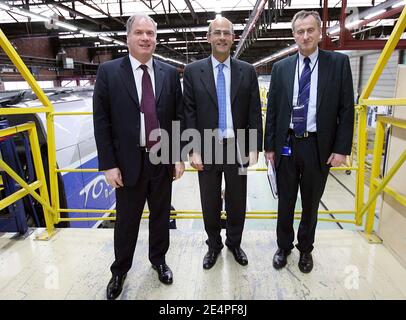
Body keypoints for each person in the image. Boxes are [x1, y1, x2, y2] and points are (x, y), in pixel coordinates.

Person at [93, 13, 184, 300]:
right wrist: (108, 164)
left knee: (160, 215)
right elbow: (102, 120)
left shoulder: (169, 73)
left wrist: (178, 155)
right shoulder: (109, 72)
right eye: (140, 33)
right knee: (127, 220)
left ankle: (159, 260)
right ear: (128, 37)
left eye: (151, 34)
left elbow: (177, 117)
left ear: (156, 39)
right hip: (128, 162)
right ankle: (119, 270)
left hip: (162, 158)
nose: (146, 38)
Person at [264, 10, 354, 273]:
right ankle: (283, 246)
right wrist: (269, 146)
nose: (305, 36)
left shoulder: (337, 64)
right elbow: (273, 110)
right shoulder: (281, 68)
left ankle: (305, 250)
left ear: (319, 32)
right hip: (287, 144)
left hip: (318, 146)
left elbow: (346, 109)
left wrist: (341, 149)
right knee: (286, 202)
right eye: (300, 31)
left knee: (311, 203)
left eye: (310, 30)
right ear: (294, 35)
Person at [183, 17, 263, 270]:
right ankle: (213, 245)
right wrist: (192, 149)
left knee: (237, 200)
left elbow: (253, 111)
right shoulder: (193, 71)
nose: (221, 37)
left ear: (233, 38)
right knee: (210, 201)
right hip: (206, 146)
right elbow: (189, 112)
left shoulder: (246, 71)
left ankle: (234, 243)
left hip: (237, 146)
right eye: (216, 33)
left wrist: (254, 146)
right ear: (208, 37)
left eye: (226, 33)